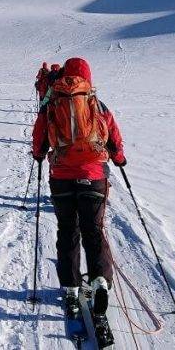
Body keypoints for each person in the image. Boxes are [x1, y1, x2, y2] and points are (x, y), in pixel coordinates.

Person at [31, 57, 126, 322]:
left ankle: (71, 288)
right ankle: (99, 282)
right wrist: (119, 159)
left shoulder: (52, 102)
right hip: (94, 176)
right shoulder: (96, 103)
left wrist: (39, 155)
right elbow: (114, 139)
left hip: (61, 176)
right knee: (93, 230)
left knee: (68, 230)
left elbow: (39, 138)